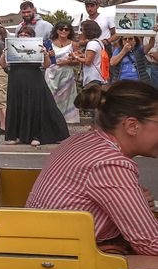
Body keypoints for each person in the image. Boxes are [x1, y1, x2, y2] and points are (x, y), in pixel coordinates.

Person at [27, 81, 158, 255]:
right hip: (62, 259)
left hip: (42, 246)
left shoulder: (80, 140)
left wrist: (134, 201)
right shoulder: (111, 165)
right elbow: (150, 243)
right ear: (132, 126)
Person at [1, 25, 69, 147]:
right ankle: (15, 136)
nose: (23, 36)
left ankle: (36, 135)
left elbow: (47, 65)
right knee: (16, 105)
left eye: (26, 35)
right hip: (16, 79)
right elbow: (3, 65)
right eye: (21, 34)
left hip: (34, 78)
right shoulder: (11, 46)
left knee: (36, 106)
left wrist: (45, 54)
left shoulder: (39, 46)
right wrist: (4, 54)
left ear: (31, 36)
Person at [43, 21, 80, 125]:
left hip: (66, 73)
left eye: (66, 29)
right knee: (50, 97)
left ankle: (64, 123)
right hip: (51, 72)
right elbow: (43, 61)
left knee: (65, 99)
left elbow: (78, 61)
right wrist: (49, 56)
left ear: (70, 31)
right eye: (61, 29)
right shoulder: (49, 43)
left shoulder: (74, 44)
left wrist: (68, 61)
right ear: (56, 30)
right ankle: (51, 121)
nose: (63, 31)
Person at [73, 20, 106, 89]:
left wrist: (75, 57)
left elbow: (88, 61)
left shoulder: (91, 44)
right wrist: (82, 55)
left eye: (82, 29)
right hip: (98, 76)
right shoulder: (98, 42)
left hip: (92, 78)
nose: (81, 32)